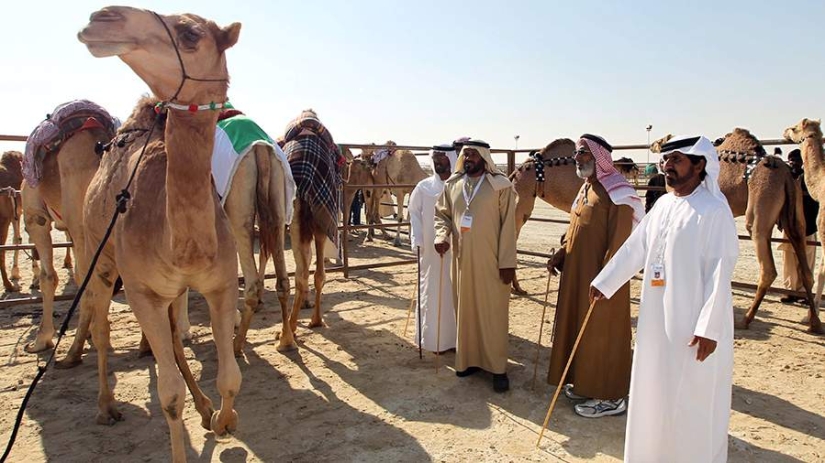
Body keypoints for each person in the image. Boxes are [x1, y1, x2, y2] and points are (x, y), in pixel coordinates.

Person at [590, 135, 738, 462]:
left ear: (700, 165)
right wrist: (606, 282)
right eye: (666, 161)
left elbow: (720, 271)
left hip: (694, 326)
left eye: (677, 160)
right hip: (657, 320)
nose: (668, 167)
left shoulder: (713, 211)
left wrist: (709, 328)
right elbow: (636, 248)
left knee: (691, 396)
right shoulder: (664, 205)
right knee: (653, 389)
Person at [545, 134, 644, 418]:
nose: (578, 158)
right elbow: (577, 229)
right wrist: (563, 253)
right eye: (577, 154)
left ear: (601, 157)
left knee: (604, 335)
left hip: (604, 283)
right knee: (582, 330)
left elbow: (621, 245)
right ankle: (587, 385)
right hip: (578, 276)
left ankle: (611, 396)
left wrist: (607, 282)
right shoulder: (587, 188)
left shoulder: (619, 194)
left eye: (584, 154)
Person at [433, 139, 517, 393]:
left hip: (492, 261)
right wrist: (441, 236)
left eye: (472, 154)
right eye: (465, 154)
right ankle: (468, 361)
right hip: (462, 261)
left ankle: (497, 368)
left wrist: (507, 263)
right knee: (466, 310)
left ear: (484, 157)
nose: (468, 158)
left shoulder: (501, 186)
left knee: (493, 314)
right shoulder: (453, 185)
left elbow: (508, 227)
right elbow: (442, 214)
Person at [409, 145, 458, 353]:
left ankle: (457, 341)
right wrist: (418, 241)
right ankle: (434, 341)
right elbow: (414, 215)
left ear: (452, 159)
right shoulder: (423, 187)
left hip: (457, 251)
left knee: (455, 292)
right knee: (433, 292)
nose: (439, 163)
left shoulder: (461, 186)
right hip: (430, 250)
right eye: (435, 159)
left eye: (443, 159)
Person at [780, 148, 818, 304]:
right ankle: (791, 290)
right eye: (791, 161)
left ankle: (804, 291)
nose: (794, 164)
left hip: (809, 224)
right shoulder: (786, 179)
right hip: (789, 225)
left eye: (797, 160)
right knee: (788, 259)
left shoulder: (811, 179)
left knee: (807, 259)